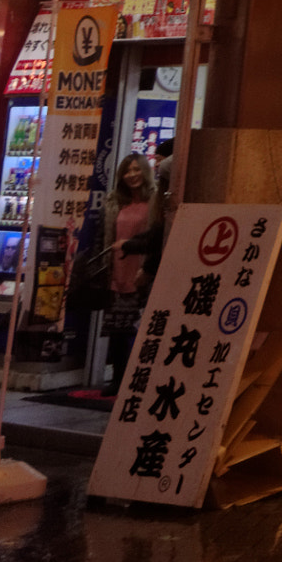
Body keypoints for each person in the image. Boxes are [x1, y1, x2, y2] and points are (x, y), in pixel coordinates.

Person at [101, 154, 158, 394]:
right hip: (117, 272)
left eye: (136, 170)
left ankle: (137, 378)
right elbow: (107, 237)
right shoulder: (115, 202)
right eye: (127, 171)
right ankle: (116, 379)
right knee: (117, 330)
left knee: (138, 329)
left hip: (143, 272)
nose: (132, 175)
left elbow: (155, 238)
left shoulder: (156, 202)